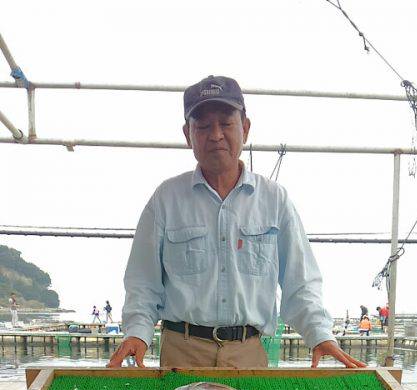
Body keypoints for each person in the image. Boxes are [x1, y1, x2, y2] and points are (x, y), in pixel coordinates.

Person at [108, 75, 365, 370]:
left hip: (249, 353)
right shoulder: (165, 199)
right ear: (187, 134)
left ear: (245, 128)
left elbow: (300, 282)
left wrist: (320, 336)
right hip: (181, 352)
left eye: (226, 123)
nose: (215, 134)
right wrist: (138, 334)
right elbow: (143, 282)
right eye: (203, 126)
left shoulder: (275, 199)